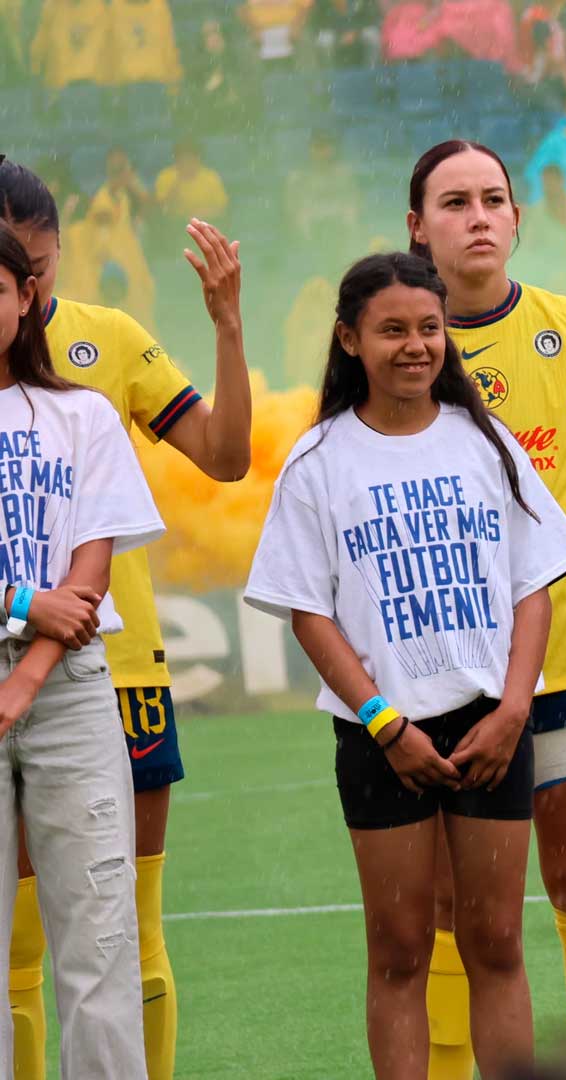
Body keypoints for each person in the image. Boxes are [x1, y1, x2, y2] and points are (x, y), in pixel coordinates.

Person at [245, 251, 566, 1080]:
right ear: (349, 339)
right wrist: (383, 722)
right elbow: (307, 609)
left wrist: (512, 710)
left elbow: (533, 587)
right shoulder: (318, 460)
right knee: (399, 950)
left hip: (491, 726)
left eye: (429, 328)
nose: (415, 345)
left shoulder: (487, 442)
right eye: (392, 329)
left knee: (497, 941)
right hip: (381, 732)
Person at [2, 157, 253, 1080]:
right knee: (19, 943)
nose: (32, 293)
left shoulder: (107, 340)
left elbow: (227, 458)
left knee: (128, 928)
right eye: (12, 274)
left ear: (59, 252)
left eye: (41, 268)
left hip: (115, 669)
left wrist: (227, 325)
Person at [406, 139, 566, 1073]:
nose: (477, 216)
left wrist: (529, 583)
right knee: (444, 908)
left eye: (493, 199)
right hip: (442, 661)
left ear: (516, 219)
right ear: (417, 227)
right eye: (454, 201)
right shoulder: (397, 334)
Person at [0, 224, 165, 1078]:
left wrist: (23, 678)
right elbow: (50, 596)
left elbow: (90, 565)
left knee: (100, 936)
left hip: (66, 685)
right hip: (37, 653)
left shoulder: (80, 412)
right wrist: (22, 599)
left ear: (25, 296)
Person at [153, 139, 230, 228]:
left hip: (206, 223)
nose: (187, 163)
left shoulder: (210, 177)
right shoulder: (166, 176)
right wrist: (179, 181)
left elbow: (222, 209)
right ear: (176, 160)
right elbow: (162, 209)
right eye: (183, 160)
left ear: (198, 159)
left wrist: (203, 213)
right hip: (174, 226)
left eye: (190, 159)